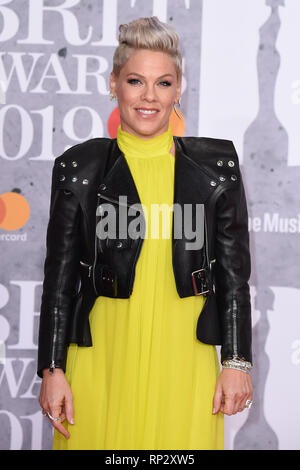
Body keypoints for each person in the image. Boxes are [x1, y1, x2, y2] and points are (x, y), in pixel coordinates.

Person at [38, 16, 253, 450]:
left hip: (185, 357)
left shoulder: (214, 170)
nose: (149, 96)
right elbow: (59, 278)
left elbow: (234, 276)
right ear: (114, 83)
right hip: (101, 358)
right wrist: (52, 368)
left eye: (164, 83)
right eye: (136, 80)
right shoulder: (80, 168)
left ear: (178, 90)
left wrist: (236, 361)